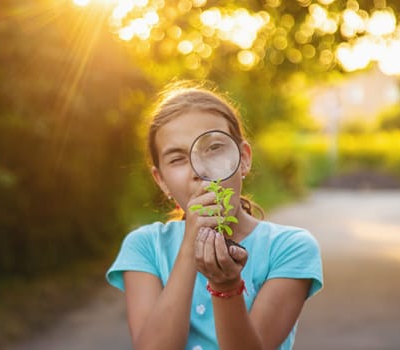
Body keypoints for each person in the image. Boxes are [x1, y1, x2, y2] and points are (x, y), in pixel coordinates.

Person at [106, 80, 323, 350]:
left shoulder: (289, 247)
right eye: (177, 159)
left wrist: (227, 286)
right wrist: (189, 248)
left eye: (213, 148)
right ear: (161, 181)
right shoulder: (145, 247)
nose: (199, 169)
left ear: (243, 158)